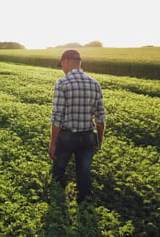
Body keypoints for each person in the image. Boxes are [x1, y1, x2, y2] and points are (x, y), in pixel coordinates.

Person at [48, 49, 106, 203]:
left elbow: (57, 116)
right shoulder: (95, 84)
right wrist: (98, 141)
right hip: (88, 137)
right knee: (84, 174)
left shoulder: (62, 83)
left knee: (58, 171)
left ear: (65, 62)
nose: (62, 69)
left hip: (67, 137)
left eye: (61, 65)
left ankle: (57, 203)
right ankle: (84, 205)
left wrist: (53, 144)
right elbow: (100, 117)